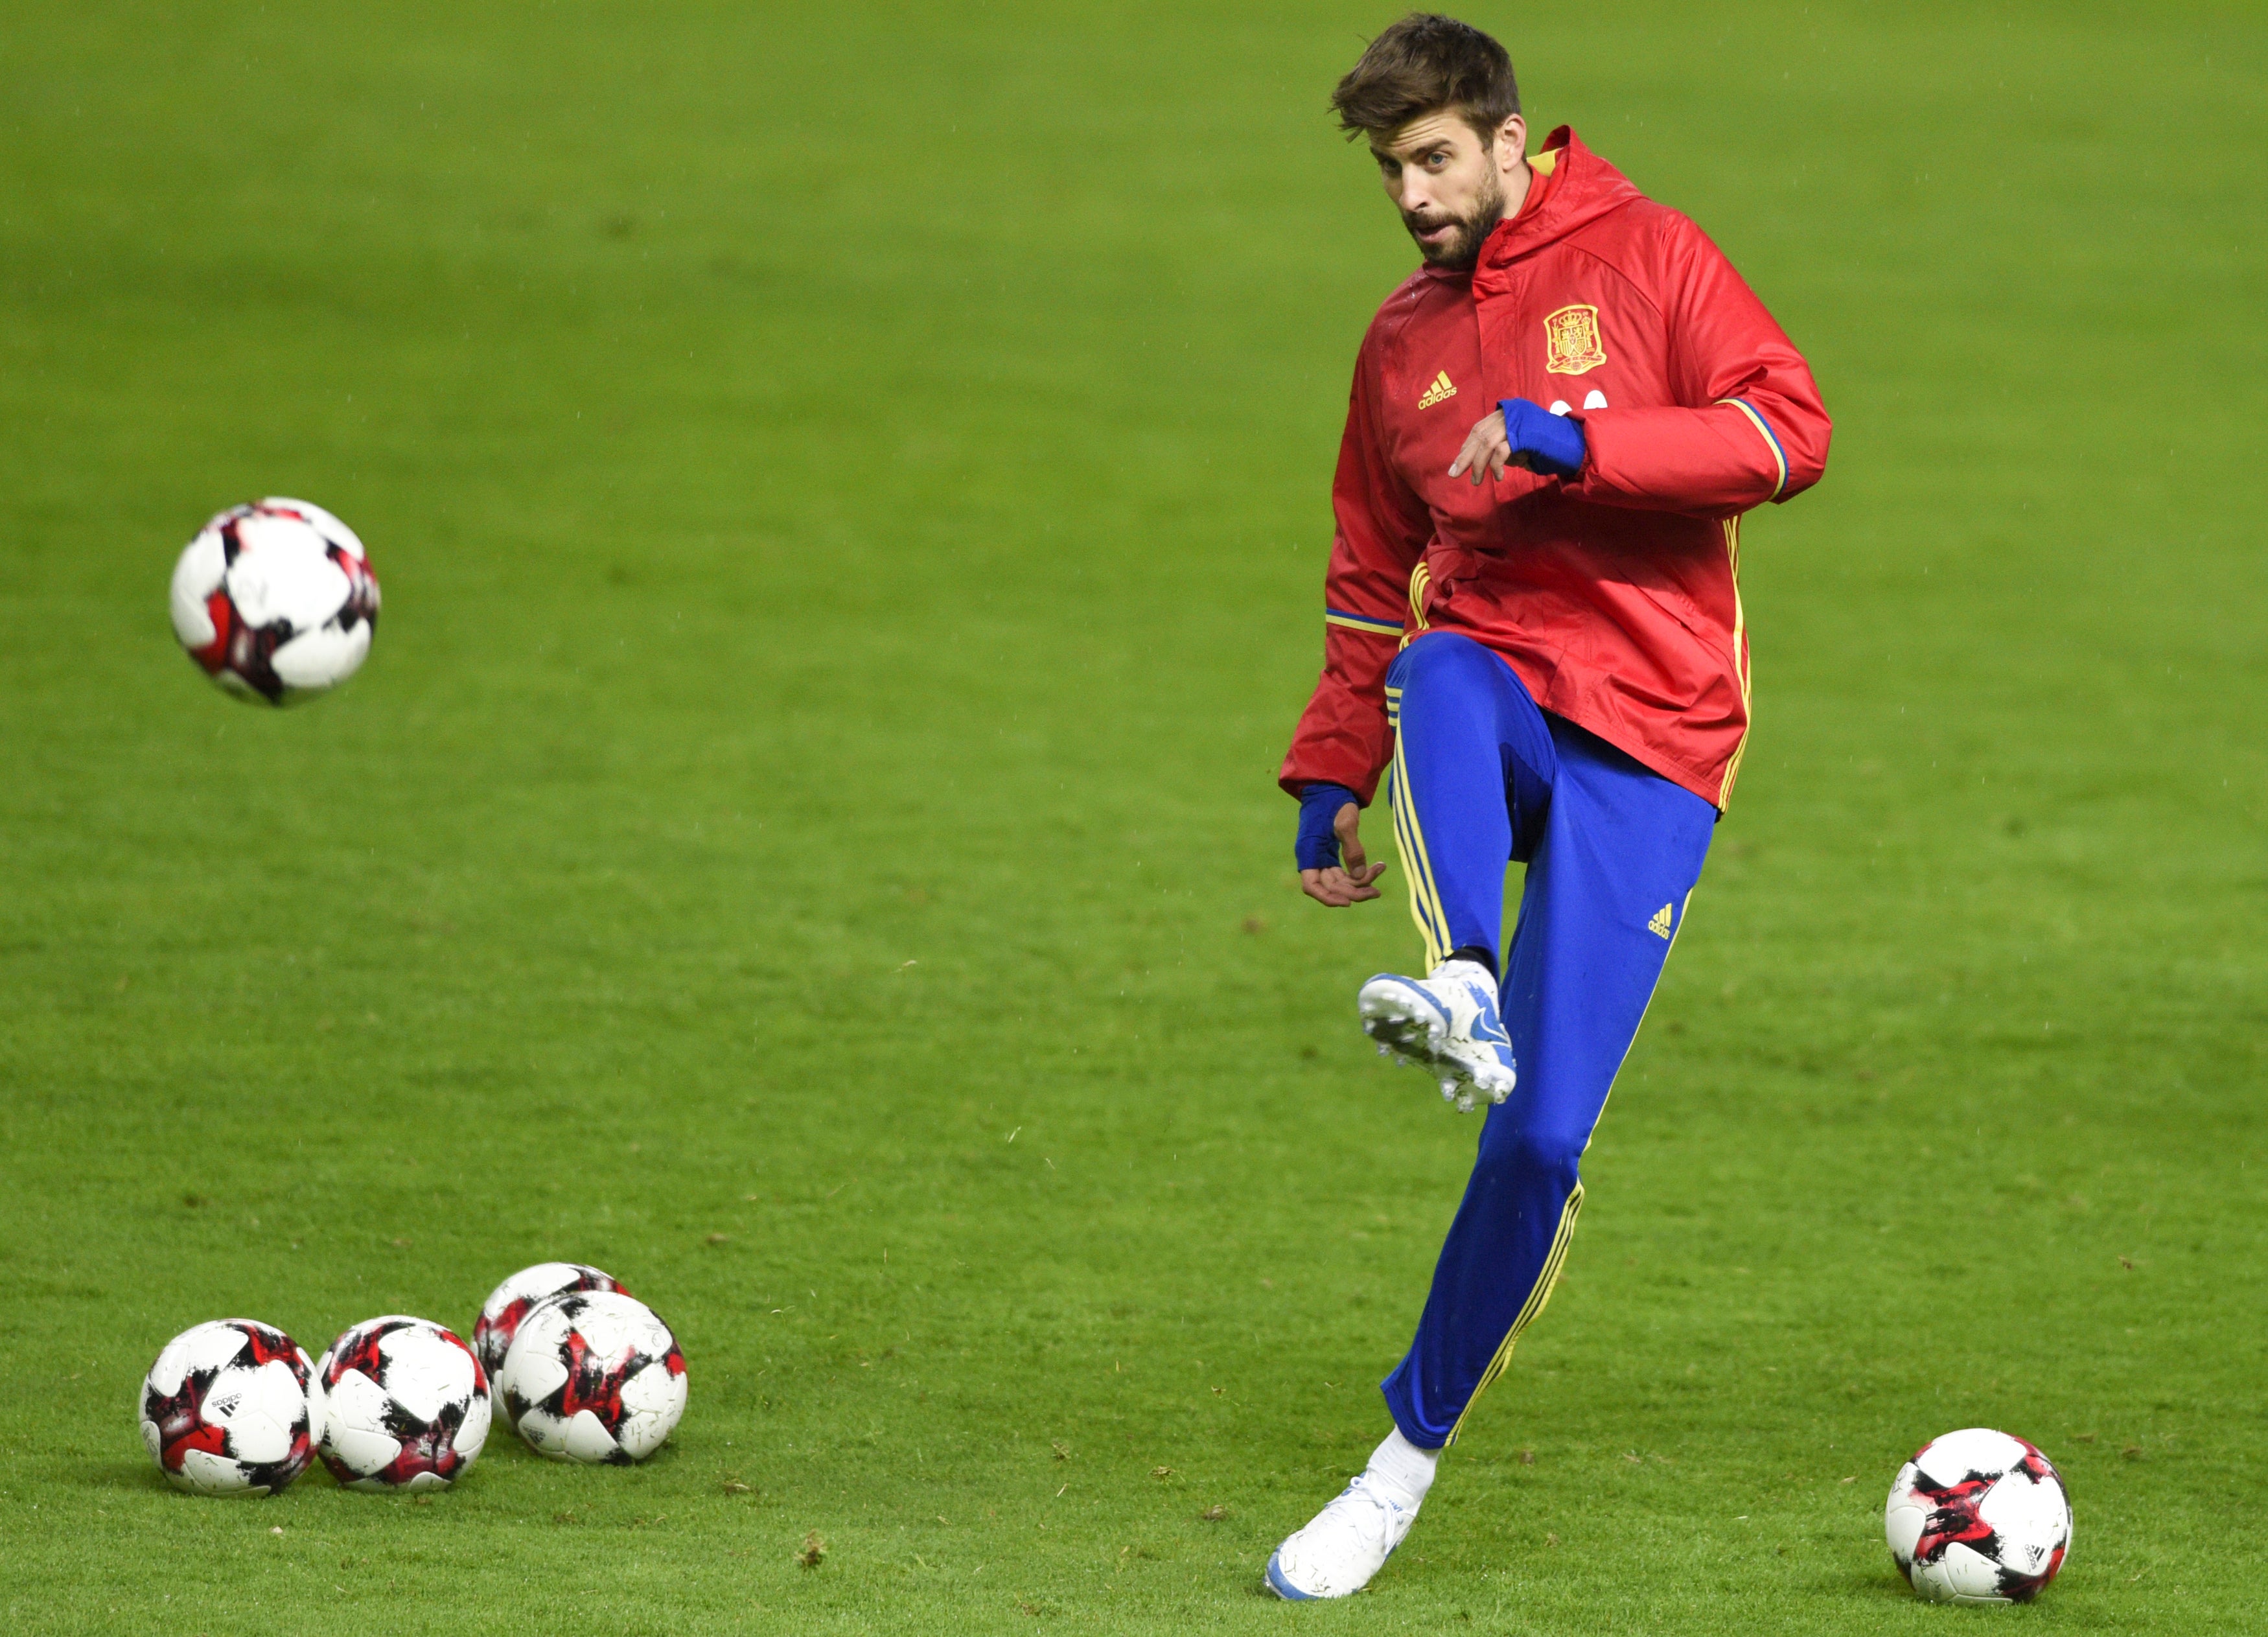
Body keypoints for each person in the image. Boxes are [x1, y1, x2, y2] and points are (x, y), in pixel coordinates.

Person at [1266, 13, 1833, 1601]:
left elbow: (1787, 432)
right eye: (1391, 169)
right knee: (1439, 668)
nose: (1411, 195)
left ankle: (1398, 1468)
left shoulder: (1652, 255)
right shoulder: (1400, 343)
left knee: (1540, 1142)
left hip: (1654, 729)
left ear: (1512, 141)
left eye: (1435, 159)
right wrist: (1331, 765)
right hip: (1501, 686)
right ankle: (1460, 976)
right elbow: (1371, 572)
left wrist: (1578, 442)